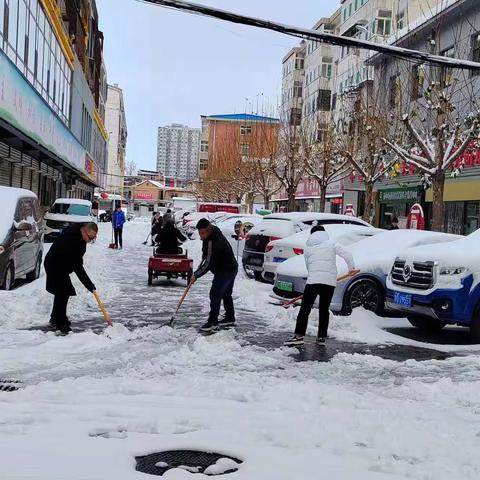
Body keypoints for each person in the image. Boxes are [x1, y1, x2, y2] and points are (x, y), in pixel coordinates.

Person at [283, 225, 356, 347]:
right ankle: (321, 337)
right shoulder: (332, 244)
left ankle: (299, 336)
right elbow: (347, 254)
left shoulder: (308, 248)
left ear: (312, 235)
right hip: (329, 282)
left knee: (305, 308)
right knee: (324, 309)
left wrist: (314, 275)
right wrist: (351, 268)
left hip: (313, 281)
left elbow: (309, 267)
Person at [44, 222, 98, 334]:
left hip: (62, 265)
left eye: (93, 238)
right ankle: (61, 323)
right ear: (83, 230)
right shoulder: (70, 239)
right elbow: (78, 267)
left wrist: (89, 285)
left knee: (62, 292)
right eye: (90, 237)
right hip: (54, 264)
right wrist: (89, 285)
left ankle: (55, 319)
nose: (91, 240)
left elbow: (78, 261)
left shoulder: (81, 237)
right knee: (64, 291)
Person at [192, 218, 238, 332]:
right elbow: (207, 254)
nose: (201, 236)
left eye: (202, 233)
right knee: (226, 294)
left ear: (209, 230)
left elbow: (208, 263)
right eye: (199, 233)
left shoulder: (215, 242)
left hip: (225, 270)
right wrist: (205, 254)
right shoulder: (212, 235)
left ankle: (213, 322)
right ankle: (230, 317)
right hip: (230, 268)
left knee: (215, 294)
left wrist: (196, 275)